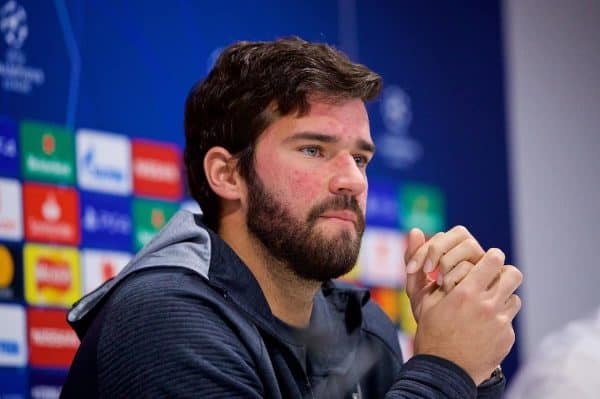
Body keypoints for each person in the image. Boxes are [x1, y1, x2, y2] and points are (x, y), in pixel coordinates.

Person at [60, 37, 522, 398]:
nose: (352, 182)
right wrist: (446, 366)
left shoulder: (363, 329)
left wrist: (474, 366)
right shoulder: (164, 319)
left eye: (360, 159)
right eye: (313, 149)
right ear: (227, 174)